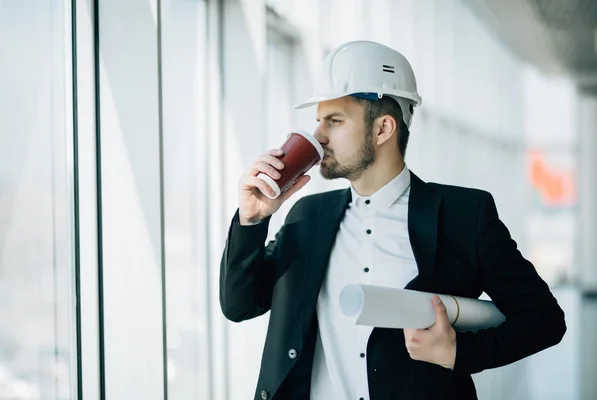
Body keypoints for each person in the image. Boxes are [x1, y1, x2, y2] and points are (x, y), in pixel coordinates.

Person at [219, 40, 566, 400]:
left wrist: (459, 354)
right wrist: (252, 220)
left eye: (334, 121)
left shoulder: (464, 215)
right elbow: (239, 305)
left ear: (383, 129)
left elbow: (543, 319)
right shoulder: (308, 216)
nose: (318, 137)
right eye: (318, 121)